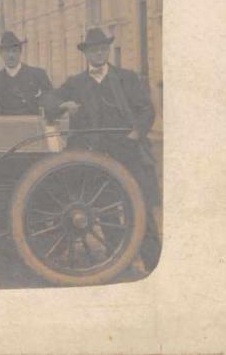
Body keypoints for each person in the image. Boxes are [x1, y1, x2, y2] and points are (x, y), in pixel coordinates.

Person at [42, 27, 160, 272]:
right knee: (106, 212)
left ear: (107, 51)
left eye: (102, 49)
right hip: (94, 157)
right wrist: (64, 105)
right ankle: (120, 262)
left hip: (127, 151)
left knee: (140, 207)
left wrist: (136, 134)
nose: (98, 53)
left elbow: (147, 110)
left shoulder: (127, 78)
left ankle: (154, 263)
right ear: (86, 53)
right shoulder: (76, 83)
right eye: (93, 50)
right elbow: (49, 101)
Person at [0, 31, 53, 115]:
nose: (11, 55)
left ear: (20, 52)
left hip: (31, 125)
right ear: (1, 53)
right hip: (4, 126)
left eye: (14, 51)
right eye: (7, 51)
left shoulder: (37, 75)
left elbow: (51, 100)